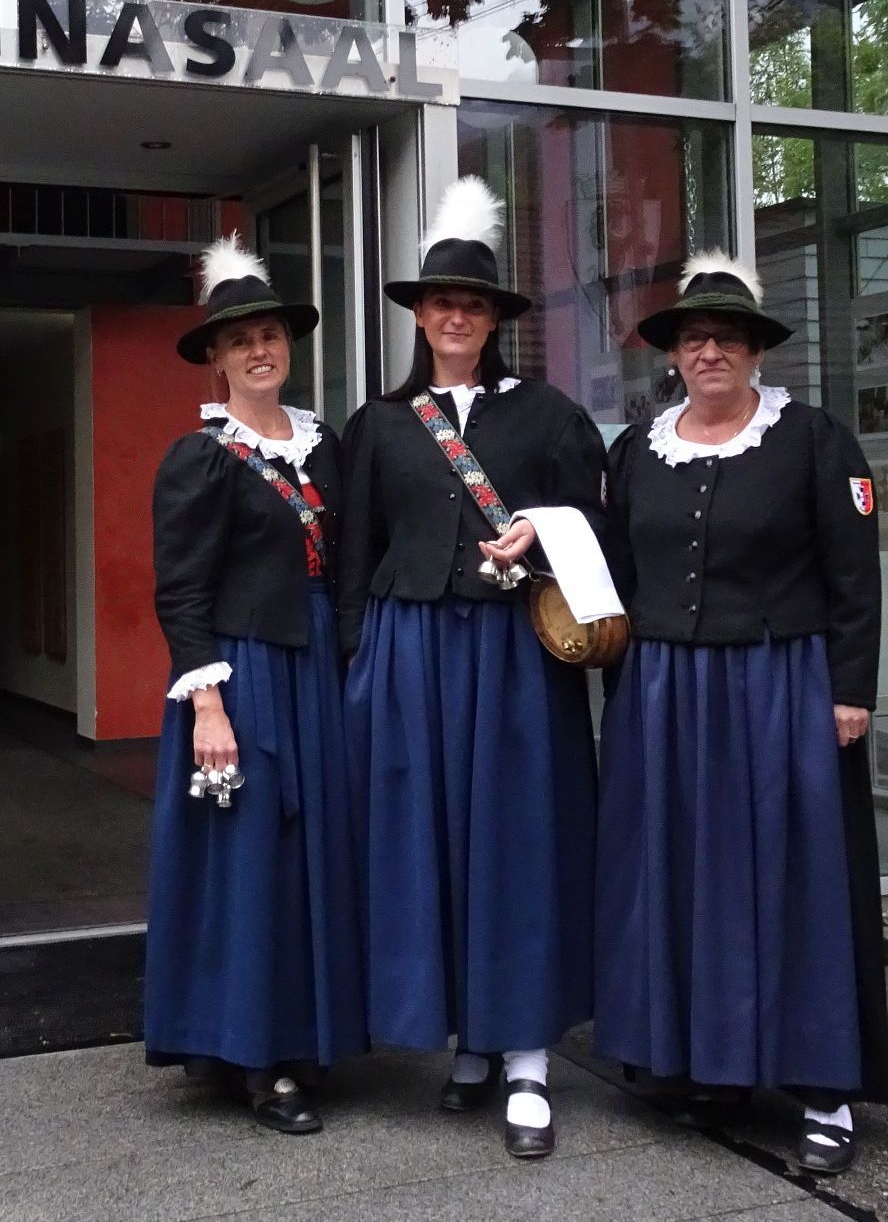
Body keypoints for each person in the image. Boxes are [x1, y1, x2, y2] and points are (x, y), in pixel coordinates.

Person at [593, 251, 888, 1175]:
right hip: (663, 691)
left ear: (755, 351)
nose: (710, 352)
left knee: (795, 878)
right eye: (695, 338)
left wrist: (850, 690)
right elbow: (612, 572)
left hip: (777, 685)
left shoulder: (813, 440)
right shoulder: (636, 449)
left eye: (728, 338)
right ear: (673, 354)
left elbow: (854, 578)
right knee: (682, 875)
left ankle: (822, 1088)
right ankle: (704, 1067)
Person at [338, 178, 611, 1159]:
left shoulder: (549, 417)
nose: (455, 317)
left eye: (472, 305)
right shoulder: (377, 424)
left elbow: (599, 533)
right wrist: (353, 669)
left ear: (495, 320)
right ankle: (465, 1037)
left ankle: (525, 1058)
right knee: (427, 848)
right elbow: (354, 556)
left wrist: (543, 534)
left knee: (516, 845)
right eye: (440, 303)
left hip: (511, 662)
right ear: (418, 316)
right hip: (407, 654)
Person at [145, 233, 366, 1134]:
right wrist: (207, 704)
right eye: (240, 341)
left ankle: (308, 1038)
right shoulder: (198, 456)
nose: (258, 350)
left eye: (269, 335)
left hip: (315, 671)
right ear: (217, 359)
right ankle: (250, 1057)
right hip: (240, 678)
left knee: (313, 855)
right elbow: (179, 590)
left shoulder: (324, 445)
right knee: (249, 865)